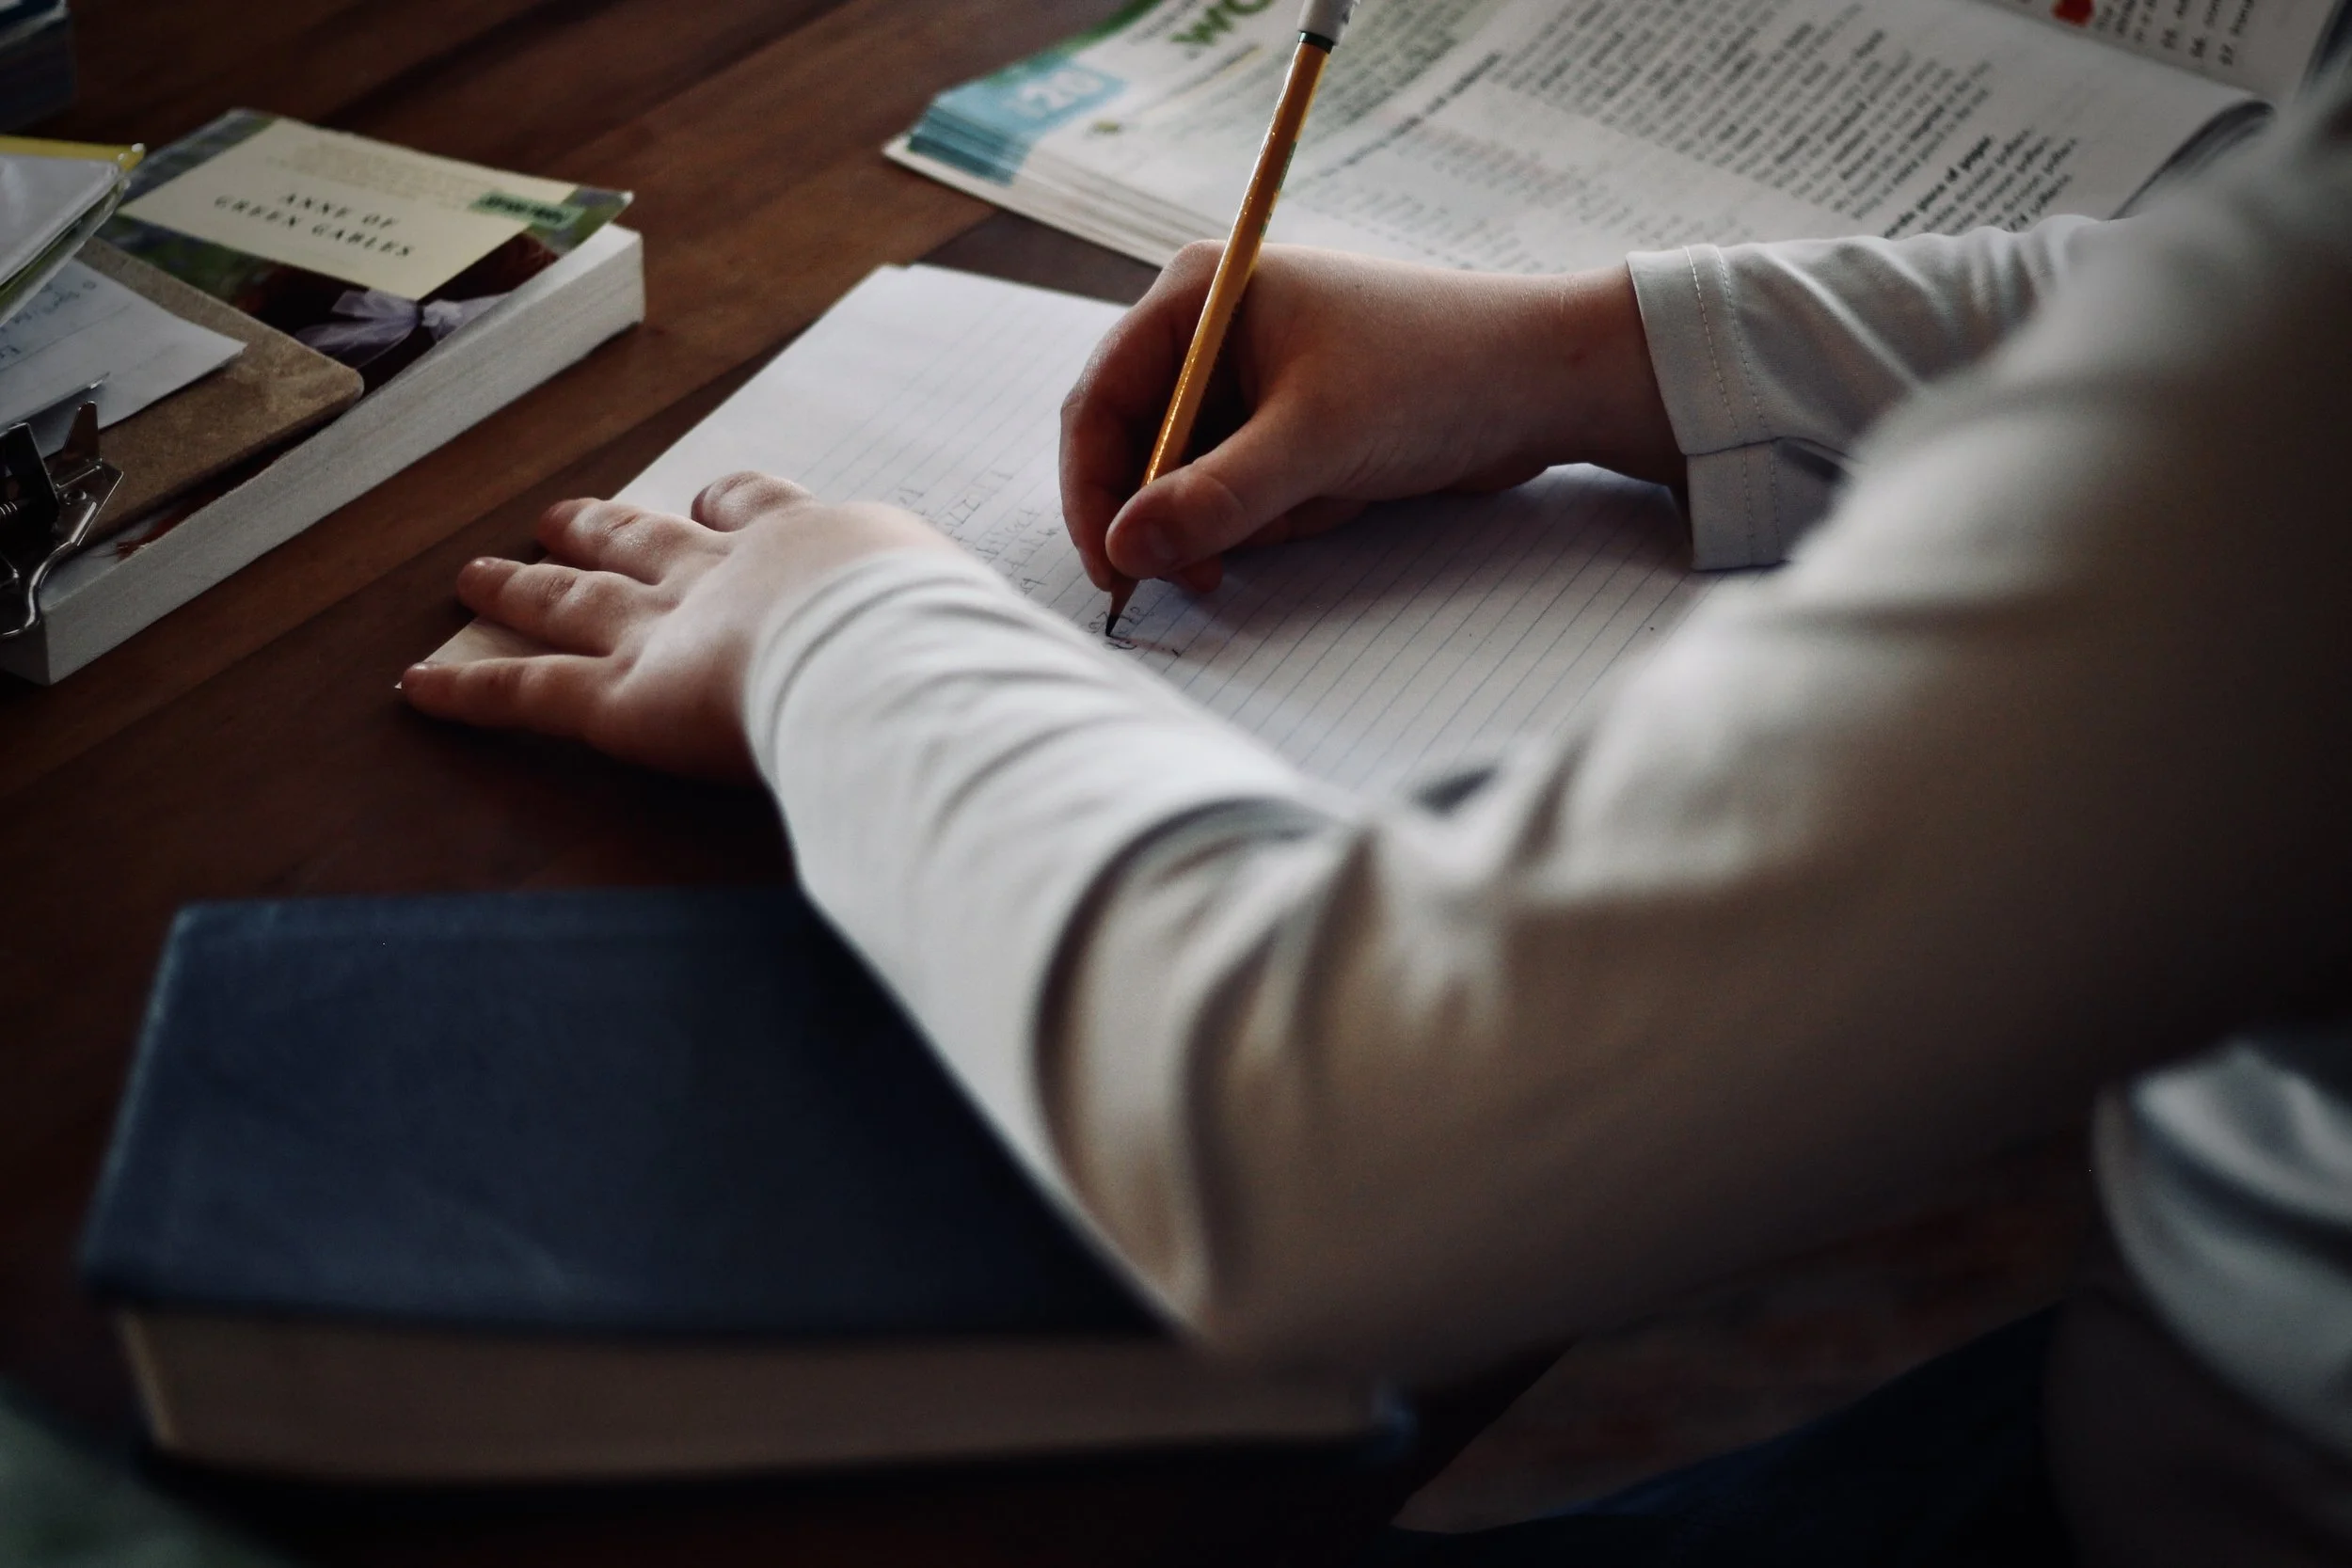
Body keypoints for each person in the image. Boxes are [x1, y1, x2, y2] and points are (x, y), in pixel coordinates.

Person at [400, 70, 2352, 1567]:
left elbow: (1314, 1136)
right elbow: (2206, 294)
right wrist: (1585, 351)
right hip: (2185, 1341)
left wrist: (827, 628)